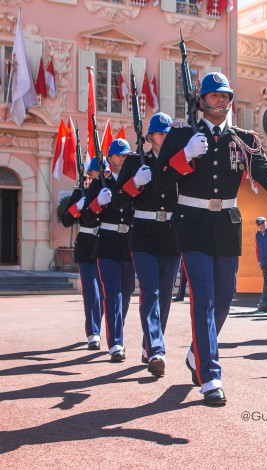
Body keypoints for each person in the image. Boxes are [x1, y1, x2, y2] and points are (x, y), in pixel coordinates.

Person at [152, 72, 267, 406]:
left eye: (226, 96)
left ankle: (197, 354)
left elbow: (263, 169)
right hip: (192, 224)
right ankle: (210, 374)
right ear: (202, 101)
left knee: (224, 297)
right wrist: (185, 156)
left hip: (226, 224)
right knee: (203, 297)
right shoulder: (182, 136)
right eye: (215, 95)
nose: (221, 100)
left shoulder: (242, 140)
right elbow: (160, 182)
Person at [113, 112, 180, 378]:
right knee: (150, 291)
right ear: (150, 137)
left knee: (164, 296)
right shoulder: (134, 162)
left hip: (171, 234)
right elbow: (118, 201)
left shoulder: (180, 162)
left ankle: (148, 344)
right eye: (160, 133)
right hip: (142, 233)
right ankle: (156, 350)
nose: (165, 137)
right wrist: (134, 184)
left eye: (168, 133)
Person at [82, 139, 136, 363]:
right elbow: (86, 218)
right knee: (112, 294)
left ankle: (116, 330)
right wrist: (98, 203)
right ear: (110, 159)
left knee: (127, 294)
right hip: (107, 243)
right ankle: (116, 344)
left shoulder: (136, 181)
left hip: (130, 244)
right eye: (119, 155)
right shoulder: (100, 184)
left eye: (126, 155)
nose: (123, 159)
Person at [60, 158, 103, 350]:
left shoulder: (108, 190)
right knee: (91, 291)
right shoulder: (80, 192)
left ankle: (97, 326)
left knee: (105, 294)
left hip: (106, 243)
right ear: (90, 173)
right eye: (97, 172)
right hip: (86, 245)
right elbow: (66, 220)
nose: (100, 176)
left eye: (104, 172)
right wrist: (77, 207)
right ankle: (93, 332)